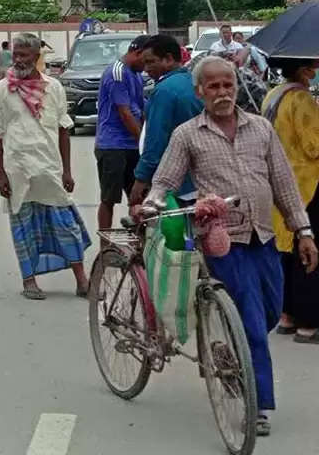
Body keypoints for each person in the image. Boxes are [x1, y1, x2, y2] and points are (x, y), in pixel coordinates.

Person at [144, 55, 318, 436]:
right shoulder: (188, 134)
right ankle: (257, 404)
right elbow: (165, 180)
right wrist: (151, 204)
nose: (222, 92)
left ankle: (230, 350)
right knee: (253, 324)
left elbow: (284, 183)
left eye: (228, 85)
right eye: (214, 86)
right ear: (199, 92)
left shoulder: (260, 129)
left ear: (236, 86)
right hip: (223, 241)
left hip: (265, 236)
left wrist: (303, 231)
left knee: (271, 312)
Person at [0, 34, 90, 300]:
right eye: (16, 54)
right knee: (23, 229)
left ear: (37, 57)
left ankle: (82, 280)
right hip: (18, 169)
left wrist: (67, 170)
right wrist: (0, 175)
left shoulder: (53, 87)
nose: (19, 60)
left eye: (24, 55)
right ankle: (29, 281)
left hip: (49, 167)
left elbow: (64, 129)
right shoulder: (2, 89)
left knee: (66, 225)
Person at [262, 58, 319, 345]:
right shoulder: (302, 98)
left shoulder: (275, 93)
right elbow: (314, 146)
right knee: (308, 253)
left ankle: (286, 316)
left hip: (279, 182)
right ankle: (309, 323)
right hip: (308, 185)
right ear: (305, 68)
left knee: (287, 249)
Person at [129, 34, 203, 206]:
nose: (146, 69)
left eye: (150, 62)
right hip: (200, 179)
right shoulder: (192, 82)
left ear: (168, 59)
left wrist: (140, 180)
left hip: (176, 184)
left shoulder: (163, 91)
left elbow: (155, 141)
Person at [95, 36, 148, 234]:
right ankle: (105, 244)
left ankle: (138, 240)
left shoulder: (136, 74)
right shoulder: (117, 73)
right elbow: (125, 113)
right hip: (112, 145)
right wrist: (143, 143)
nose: (147, 65)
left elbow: (140, 110)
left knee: (137, 196)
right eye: (146, 60)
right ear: (137, 52)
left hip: (132, 145)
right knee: (109, 199)